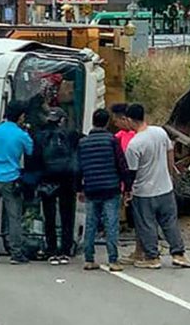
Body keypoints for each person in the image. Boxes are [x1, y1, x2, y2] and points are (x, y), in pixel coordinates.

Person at [124, 103, 190, 269]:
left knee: (147, 224)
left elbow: (131, 173)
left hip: (144, 193)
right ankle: (178, 254)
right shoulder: (160, 132)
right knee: (170, 222)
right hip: (165, 188)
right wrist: (170, 175)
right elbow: (170, 152)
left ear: (129, 120)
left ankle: (152, 257)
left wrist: (127, 192)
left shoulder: (134, 145)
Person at [0, 100, 33, 265]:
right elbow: (30, 151)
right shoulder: (21, 135)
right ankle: (16, 254)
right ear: (20, 116)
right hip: (10, 179)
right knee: (14, 216)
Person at [77, 108, 131, 272]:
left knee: (91, 223)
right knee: (111, 224)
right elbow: (121, 164)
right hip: (110, 188)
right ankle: (113, 260)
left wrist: (80, 189)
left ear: (93, 121)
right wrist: (127, 187)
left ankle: (89, 259)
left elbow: (78, 168)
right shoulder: (112, 141)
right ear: (107, 123)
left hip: (91, 188)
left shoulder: (83, 143)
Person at [32, 107, 80, 265]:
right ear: (62, 120)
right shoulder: (71, 135)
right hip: (67, 179)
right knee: (67, 215)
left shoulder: (39, 136)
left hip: (48, 179)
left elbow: (35, 159)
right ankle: (66, 249)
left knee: (49, 215)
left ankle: (51, 249)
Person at [110, 103, 144, 265]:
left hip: (132, 185)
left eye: (116, 121)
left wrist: (127, 188)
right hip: (130, 185)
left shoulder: (130, 139)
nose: (115, 125)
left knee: (138, 219)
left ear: (124, 119)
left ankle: (141, 251)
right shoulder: (123, 135)